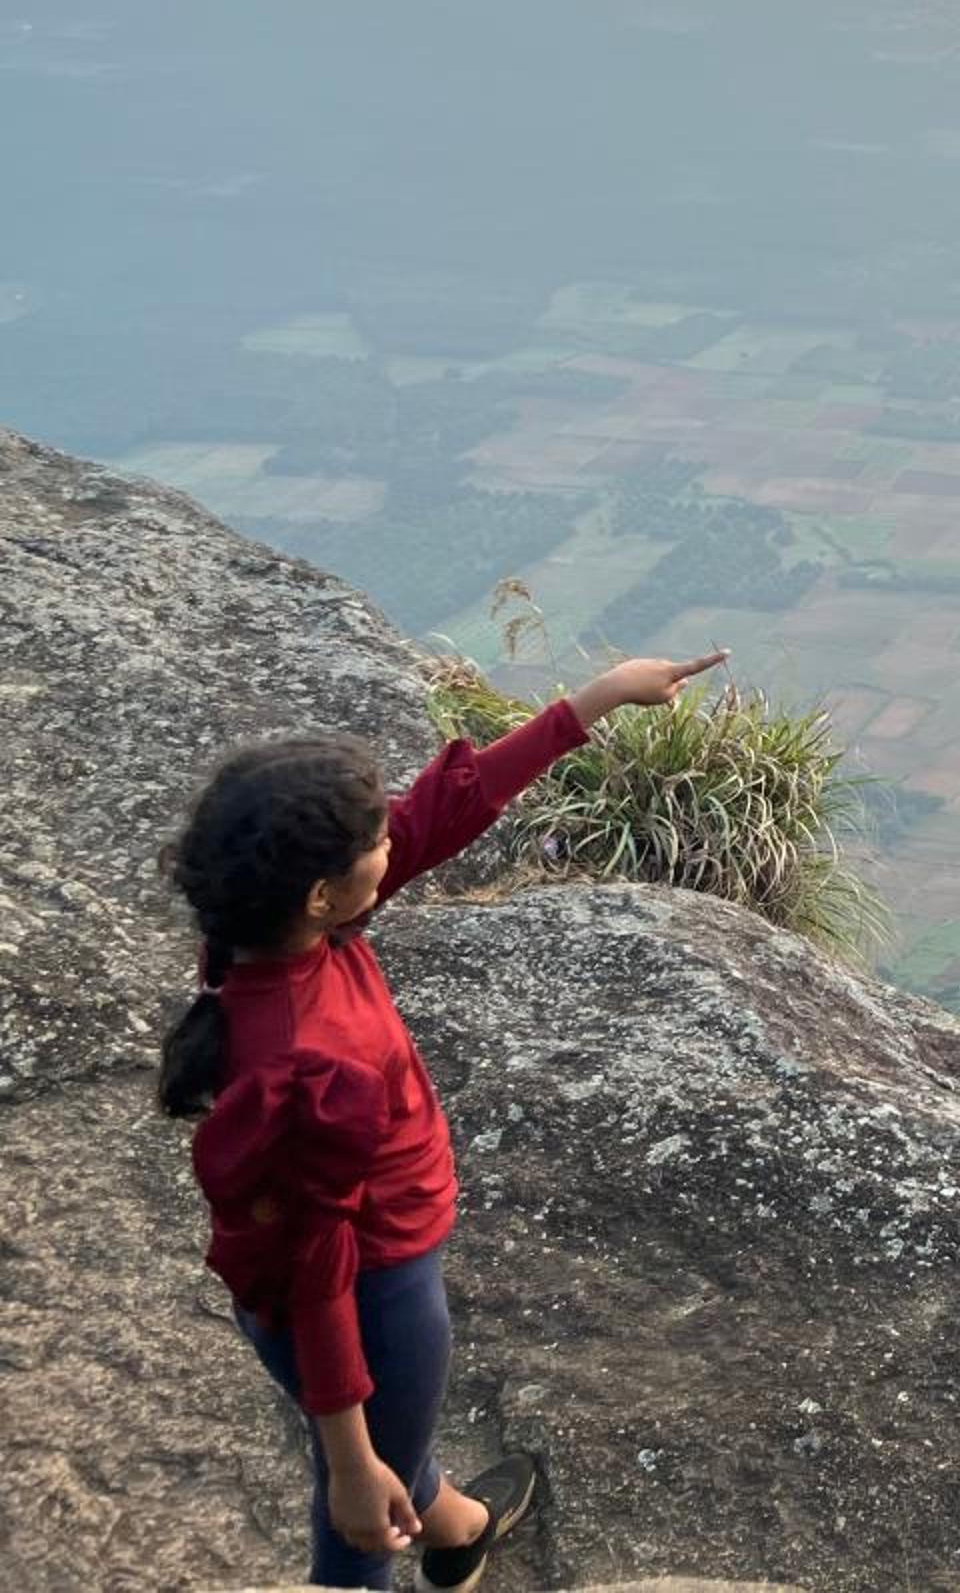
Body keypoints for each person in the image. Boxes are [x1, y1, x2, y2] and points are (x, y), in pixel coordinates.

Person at [158, 648, 729, 1590]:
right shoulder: (308, 1057)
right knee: (358, 1530)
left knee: (400, 1461)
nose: (394, 842)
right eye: (372, 842)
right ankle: (417, 1523)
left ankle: (459, 1531)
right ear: (321, 892)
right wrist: (348, 1462)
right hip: (373, 1290)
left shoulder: (273, 935)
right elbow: (315, 1274)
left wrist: (597, 700)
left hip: (367, 1267)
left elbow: (438, 816)